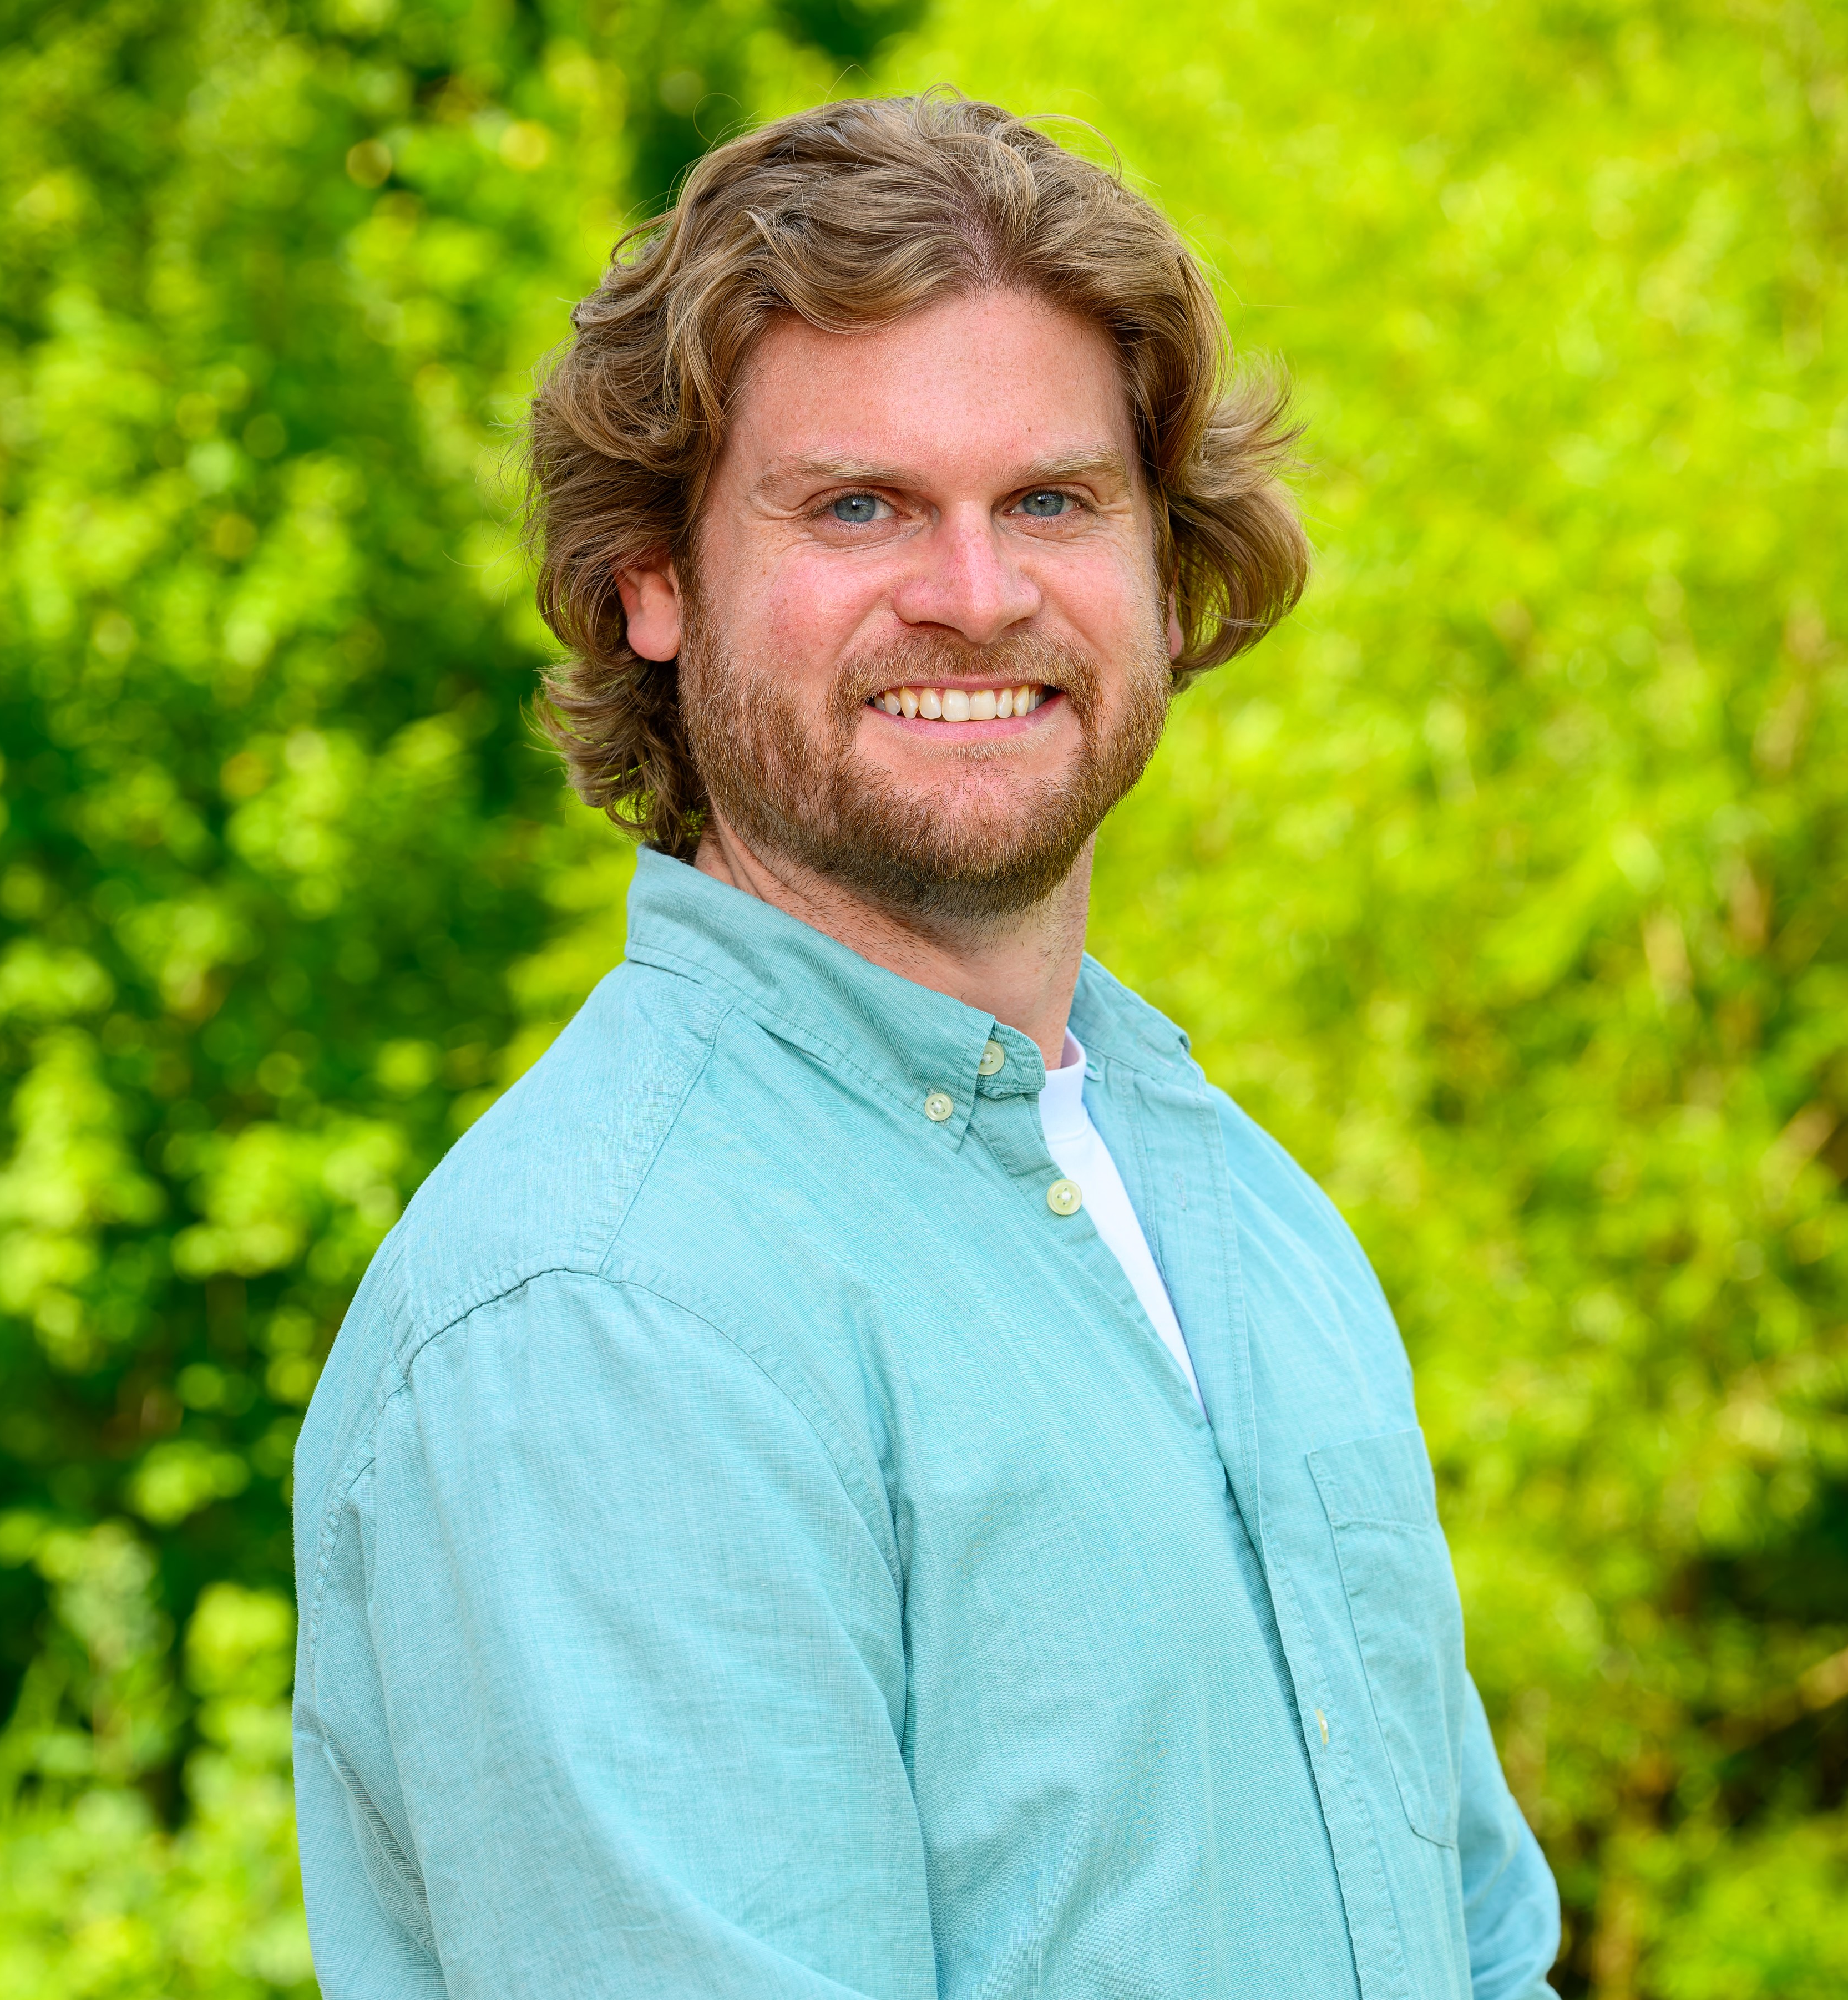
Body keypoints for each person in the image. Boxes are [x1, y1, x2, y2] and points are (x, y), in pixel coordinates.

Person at [292, 92, 1560, 2000]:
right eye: (859, 506)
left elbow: (1479, 1954)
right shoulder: (614, 1311)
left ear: (1162, 563)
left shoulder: (1234, 1207)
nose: (977, 593)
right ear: (651, 581)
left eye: (1052, 501)